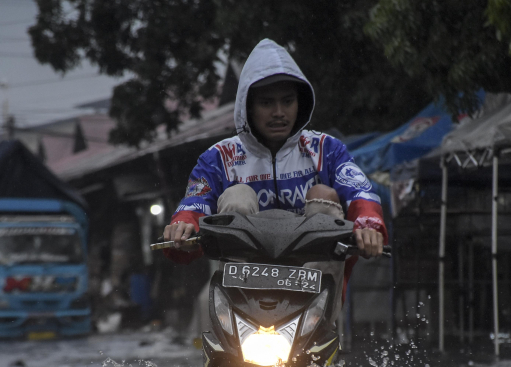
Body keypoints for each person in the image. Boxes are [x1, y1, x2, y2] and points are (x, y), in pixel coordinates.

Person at [163, 38, 387, 317]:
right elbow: (194, 204)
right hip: (243, 296)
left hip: (313, 295)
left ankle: (321, 327)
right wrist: (182, 226)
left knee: (323, 195)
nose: (279, 112)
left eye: (287, 101)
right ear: (248, 107)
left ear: (300, 103)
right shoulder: (218, 157)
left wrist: (368, 228)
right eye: (267, 102)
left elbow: (361, 195)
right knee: (237, 194)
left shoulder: (327, 149)